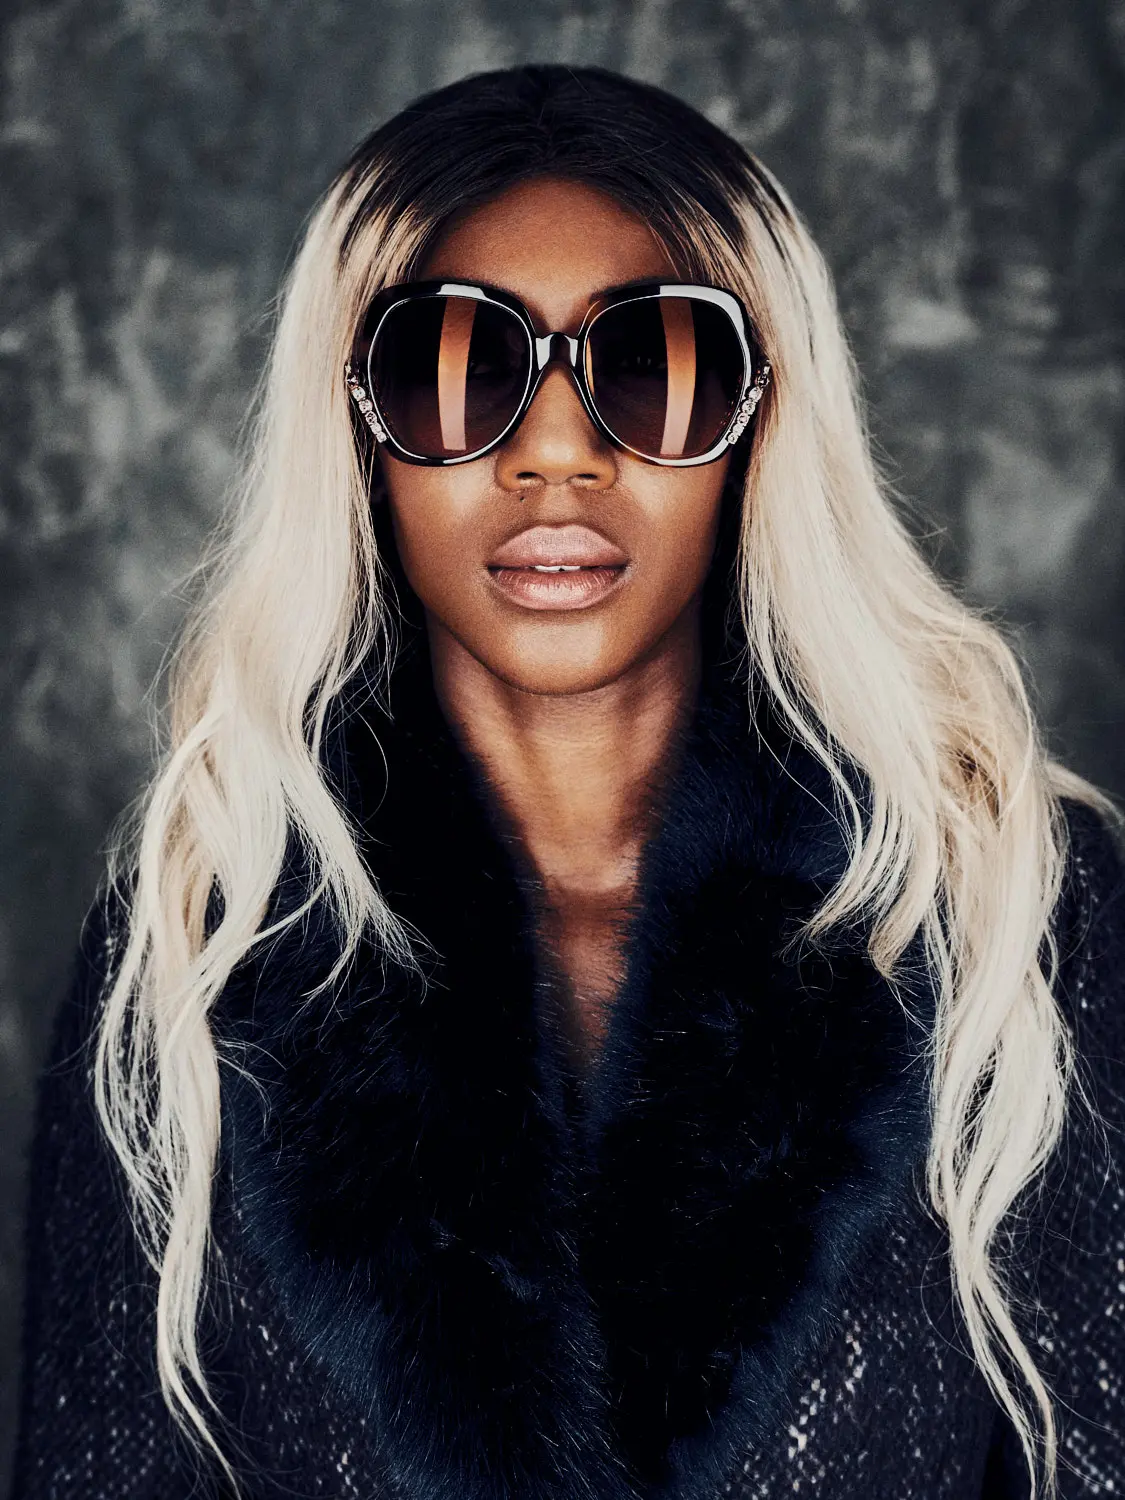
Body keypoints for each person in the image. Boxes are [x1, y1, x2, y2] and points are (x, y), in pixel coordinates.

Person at [11, 64, 1125, 1500]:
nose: (556, 454)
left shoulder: (1016, 915)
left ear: (760, 424)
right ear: (355, 439)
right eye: (454, 364)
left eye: (655, 360)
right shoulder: (186, 952)